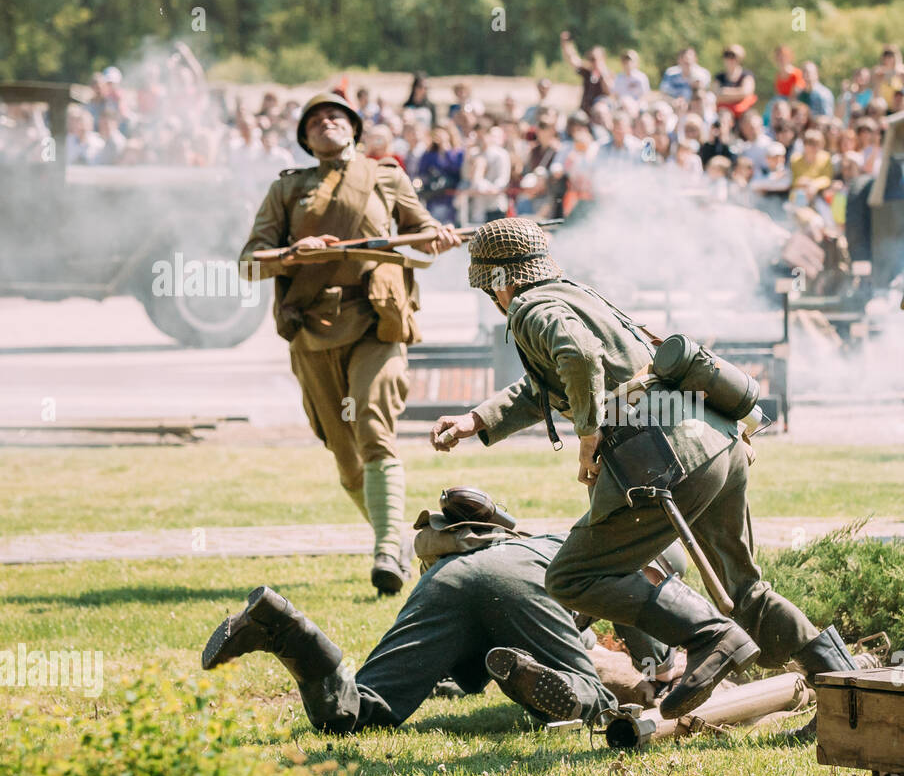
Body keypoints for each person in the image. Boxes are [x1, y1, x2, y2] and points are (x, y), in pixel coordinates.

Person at [428, 218, 857, 721]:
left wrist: (588, 433)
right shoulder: (575, 295)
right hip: (717, 441)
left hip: (666, 461)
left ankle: (709, 639)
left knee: (570, 577)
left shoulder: (529, 305)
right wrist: (475, 420)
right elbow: (550, 384)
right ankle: (847, 694)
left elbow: (577, 355)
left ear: (500, 281)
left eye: (489, 289)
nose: (494, 299)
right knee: (742, 590)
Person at [200, 489, 682, 731]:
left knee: (358, 712)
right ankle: (530, 675)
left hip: (447, 582)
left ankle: (288, 631)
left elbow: (462, 675)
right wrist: (659, 673)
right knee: (596, 700)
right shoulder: (627, 559)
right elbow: (648, 634)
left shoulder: (555, 541)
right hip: (519, 589)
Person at [240, 93, 461, 595]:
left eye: (336, 116)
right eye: (314, 120)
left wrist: (435, 239)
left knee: (372, 422)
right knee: (345, 456)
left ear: (354, 129)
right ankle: (400, 539)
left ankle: (387, 550)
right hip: (311, 330)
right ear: (304, 138)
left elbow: (421, 235)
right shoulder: (287, 189)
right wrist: (293, 254)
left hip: (375, 321)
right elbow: (250, 261)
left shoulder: (385, 175)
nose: (326, 123)